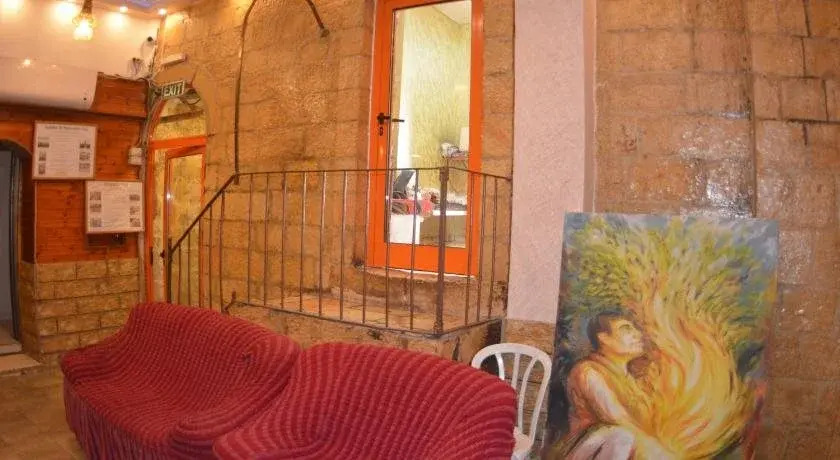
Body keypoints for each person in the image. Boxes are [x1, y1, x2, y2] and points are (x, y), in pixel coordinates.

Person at [550, 311, 674, 460]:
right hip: (586, 451)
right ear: (604, 338)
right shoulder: (587, 371)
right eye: (626, 329)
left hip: (623, 450)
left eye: (635, 329)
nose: (637, 335)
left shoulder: (633, 381)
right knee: (621, 436)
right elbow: (616, 416)